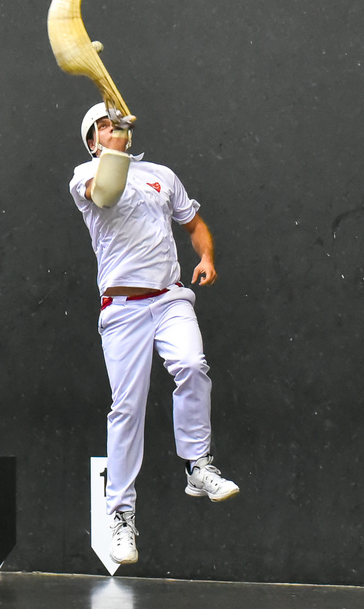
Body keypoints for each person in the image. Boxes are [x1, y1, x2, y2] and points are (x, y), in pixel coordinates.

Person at [68, 103, 240, 566]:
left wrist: (206, 257)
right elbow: (107, 193)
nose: (113, 130)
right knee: (127, 408)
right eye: (104, 127)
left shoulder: (163, 175)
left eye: (116, 123)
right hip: (122, 310)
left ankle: (198, 465)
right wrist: (115, 148)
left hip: (169, 298)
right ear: (92, 143)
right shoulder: (86, 176)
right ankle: (121, 516)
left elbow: (194, 224)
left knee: (191, 364)